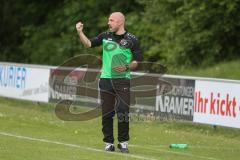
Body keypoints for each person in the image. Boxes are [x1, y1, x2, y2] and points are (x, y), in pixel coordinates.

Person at [76, 12, 142, 153]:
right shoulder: (105, 36)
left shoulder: (132, 39)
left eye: (111, 20)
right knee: (107, 113)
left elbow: (137, 62)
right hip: (105, 80)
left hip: (123, 80)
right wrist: (80, 32)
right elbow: (88, 44)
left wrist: (126, 67)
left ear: (120, 22)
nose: (108, 23)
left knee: (123, 111)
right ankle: (108, 143)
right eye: (108, 20)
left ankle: (123, 143)